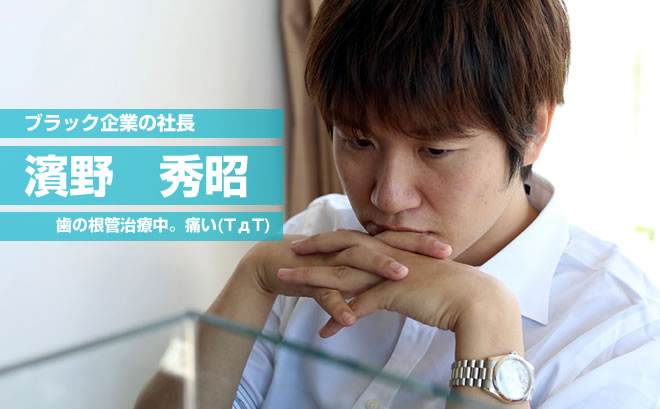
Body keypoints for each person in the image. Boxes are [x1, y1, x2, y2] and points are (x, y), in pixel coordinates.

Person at [135, 1, 660, 408]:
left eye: (436, 151)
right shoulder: (315, 233)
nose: (387, 196)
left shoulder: (621, 334)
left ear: (533, 132)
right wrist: (248, 280)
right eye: (358, 141)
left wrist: (486, 322)